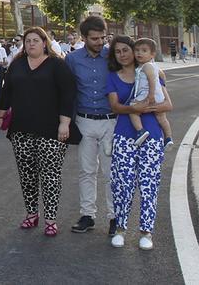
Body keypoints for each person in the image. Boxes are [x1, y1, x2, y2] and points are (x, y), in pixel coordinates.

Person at [0, 26, 76, 237]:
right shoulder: (17, 65)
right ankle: (32, 214)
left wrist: (65, 123)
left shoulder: (57, 65)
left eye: (35, 40)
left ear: (44, 42)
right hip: (21, 130)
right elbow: (6, 92)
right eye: (28, 40)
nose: (31, 44)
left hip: (52, 130)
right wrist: (0, 114)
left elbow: (68, 95)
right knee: (27, 175)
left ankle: (50, 219)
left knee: (50, 176)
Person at [107, 36, 172, 249]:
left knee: (148, 185)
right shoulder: (113, 77)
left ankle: (146, 232)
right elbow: (115, 107)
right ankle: (120, 229)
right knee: (122, 184)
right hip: (125, 135)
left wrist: (148, 107)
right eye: (118, 52)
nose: (124, 55)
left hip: (152, 136)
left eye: (127, 50)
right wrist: (135, 109)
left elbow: (168, 104)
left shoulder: (152, 72)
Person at [65, 15, 117, 235]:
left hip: (111, 121)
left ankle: (115, 217)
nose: (100, 42)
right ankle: (88, 215)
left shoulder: (113, 56)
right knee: (87, 171)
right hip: (84, 121)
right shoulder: (73, 59)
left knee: (111, 172)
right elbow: (67, 91)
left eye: (102, 38)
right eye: (94, 38)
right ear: (83, 37)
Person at [129, 38, 173, 148]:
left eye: (144, 51)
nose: (139, 53)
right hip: (159, 96)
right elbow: (162, 76)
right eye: (137, 50)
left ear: (152, 54)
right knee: (161, 118)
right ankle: (168, 138)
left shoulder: (146, 66)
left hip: (148, 94)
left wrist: (151, 95)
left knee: (133, 109)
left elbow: (152, 80)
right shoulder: (153, 66)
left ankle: (140, 131)